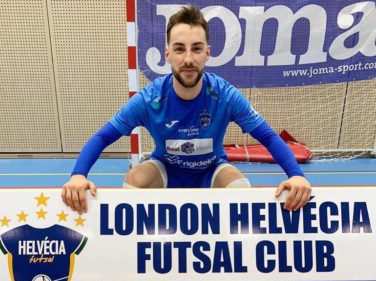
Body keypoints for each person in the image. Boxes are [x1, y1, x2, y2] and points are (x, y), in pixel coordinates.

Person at [62, 5, 311, 214]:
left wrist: (296, 175)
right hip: (166, 170)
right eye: (180, 49)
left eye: (197, 49)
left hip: (211, 169)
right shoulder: (149, 99)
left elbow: (268, 136)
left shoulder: (225, 95)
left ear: (207, 53)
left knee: (240, 187)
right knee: (135, 179)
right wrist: (78, 175)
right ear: (168, 54)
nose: (188, 59)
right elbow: (103, 136)